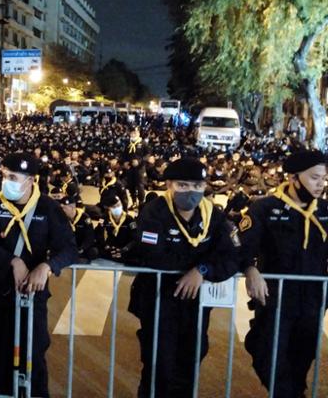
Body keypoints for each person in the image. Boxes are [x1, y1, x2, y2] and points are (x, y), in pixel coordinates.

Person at [128, 157, 239, 398]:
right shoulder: (153, 212)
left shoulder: (214, 216)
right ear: (169, 185)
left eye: (198, 186)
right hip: (158, 301)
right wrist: (197, 262)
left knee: (190, 364)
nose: (191, 192)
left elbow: (231, 256)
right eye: (183, 185)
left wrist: (201, 271)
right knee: (159, 367)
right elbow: (153, 255)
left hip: (195, 307)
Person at [0, 153, 78, 397]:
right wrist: (11, 261)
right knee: (1, 359)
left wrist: (48, 266)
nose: (6, 181)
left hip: (33, 298)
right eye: (4, 175)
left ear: (31, 180)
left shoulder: (48, 208)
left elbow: (69, 247)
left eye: (13, 177)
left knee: (33, 359)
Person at [239, 150, 328, 397]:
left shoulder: (325, 210)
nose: (321, 184)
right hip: (275, 299)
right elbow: (243, 246)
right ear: (294, 178)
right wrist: (250, 268)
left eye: (323, 178)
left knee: (301, 357)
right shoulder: (265, 208)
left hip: (313, 301)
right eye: (314, 178)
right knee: (267, 353)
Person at [57, 194, 98, 261]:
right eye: (61, 208)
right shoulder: (61, 218)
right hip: (69, 247)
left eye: (64, 208)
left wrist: (82, 248)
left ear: (72, 207)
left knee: (93, 252)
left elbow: (89, 236)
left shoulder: (84, 218)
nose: (62, 210)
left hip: (81, 247)